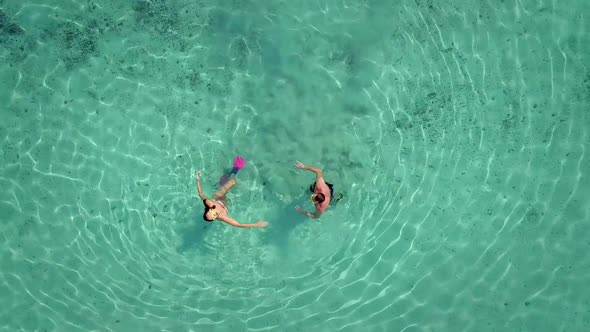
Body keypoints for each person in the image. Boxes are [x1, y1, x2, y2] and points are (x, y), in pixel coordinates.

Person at [195, 170, 268, 228]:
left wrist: (197, 179)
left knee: (232, 182)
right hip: (225, 203)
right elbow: (238, 225)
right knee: (224, 188)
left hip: (217, 198)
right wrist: (256, 224)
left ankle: (233, 172)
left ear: (210, 209)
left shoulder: (210, 204)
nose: (215, 214)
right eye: (214, 217)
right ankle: (223, 181)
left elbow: (201, 194)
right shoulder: (222, 217)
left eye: (212, 213)